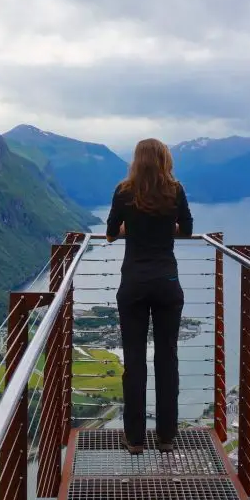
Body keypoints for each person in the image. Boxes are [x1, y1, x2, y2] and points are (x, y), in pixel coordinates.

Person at [106, 138, 193, 455]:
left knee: (134, 360)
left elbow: (112, 230)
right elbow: (186, 228)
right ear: (164, 159)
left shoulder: (123, 191)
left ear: (136, 161)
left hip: (133, 284)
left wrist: (135, 230)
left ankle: (134, 439)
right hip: (167, 282)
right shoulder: (175, 190)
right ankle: (167, 437)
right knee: (167, 358)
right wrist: (161, 229)